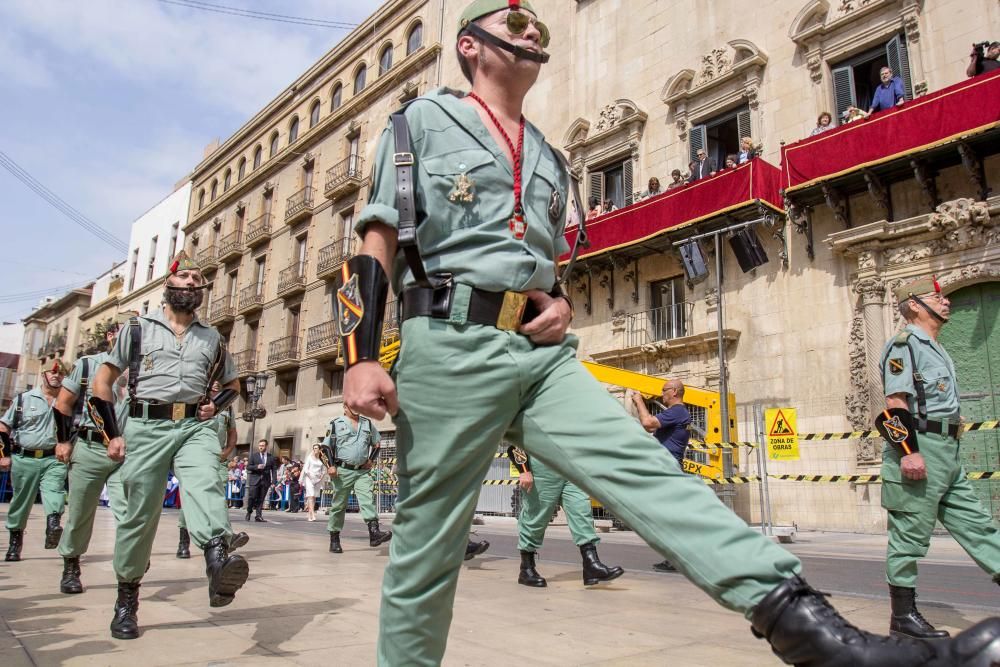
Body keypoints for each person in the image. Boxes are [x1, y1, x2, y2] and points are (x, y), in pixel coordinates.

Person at [338, 2, 1000, 665]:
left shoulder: (546, 156)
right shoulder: (421, 122)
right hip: (449, 341)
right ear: (470, 46)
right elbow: (377, 236)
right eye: (517, 25)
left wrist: (562, 303)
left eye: (540, 27)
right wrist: (363, 356)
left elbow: (539, 258)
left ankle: (819, 636)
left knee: (655, 473)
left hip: (541, 356)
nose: (535, 32)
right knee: (425, 552)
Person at [91, 250, 247, 640]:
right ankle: (127, 596)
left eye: (198, 279)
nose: (193, 283)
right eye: (186, 277)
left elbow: (233, 386)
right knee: (138, 518)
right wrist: (113, 434)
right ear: (169, 285)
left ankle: (216, 559)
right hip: (145, 427)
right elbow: (102, 383)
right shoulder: (138, 330)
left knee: (206, 480)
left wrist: (217, 406)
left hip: (193, 426)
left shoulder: (212, 338)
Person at [876, 276, 1000, 639]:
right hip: (921, 448)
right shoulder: (903, 346)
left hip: (948, 451)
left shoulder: (937, 347)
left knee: (978, 524)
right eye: (937, 296)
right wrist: (909, 453)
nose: (945, 302)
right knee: (909, 533)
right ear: (914, 304)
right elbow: (895, 404)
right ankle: (903, 617)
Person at [52, 316, 131, 593]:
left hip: (128, 453)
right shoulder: (88, 365)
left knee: (130, 512)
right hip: (91, 446)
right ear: (111, 335)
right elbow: (63, 403)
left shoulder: (144, 368)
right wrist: (62, 441)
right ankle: (71, 563)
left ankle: (129, 564)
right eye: (126, 330)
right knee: (80, 512)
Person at [508, 445, 623, 588]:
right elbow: (515, 438)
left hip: (570, 466)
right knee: (536, 517)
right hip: (541, 467)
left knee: (581, 510)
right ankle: (526, 569)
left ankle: (591, 565)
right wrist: (524, 470)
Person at [1, 360, 70, 561]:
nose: (56, 376)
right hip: (25, 458)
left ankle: (53, 526)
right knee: (21, 501)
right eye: (52, 373)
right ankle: (15, 541)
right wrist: (3, 454)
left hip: (53, 457)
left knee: (55, 490)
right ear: (44, 375)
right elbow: (4, 427)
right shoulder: (24, 399)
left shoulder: (68, 401)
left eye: (61, 374)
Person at [177, 382, 248, 559]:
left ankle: (225, 539)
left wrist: (226, 453)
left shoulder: (227, 407)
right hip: (196, 455)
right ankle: (183, 542)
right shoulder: (196, 400)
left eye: (220, 380)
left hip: (218, 459)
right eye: (213, 380)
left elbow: (232, 433)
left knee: (218, 497)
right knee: (192, 496)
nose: (216, 383)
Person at [629, 380, 692, 572]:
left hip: (668, 468)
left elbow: (648, 423)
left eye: (664, 390)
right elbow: (650, 428)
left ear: (674, 392)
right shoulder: (675, 413)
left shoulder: (677, 411)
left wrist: (639, 401)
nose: (661, 394)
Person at [321, 406, 392, 554]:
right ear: (345, 407)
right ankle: (334, 539)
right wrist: (330, 466)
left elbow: (377, 444)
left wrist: (371, 460)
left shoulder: (367, 424)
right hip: (342, 471)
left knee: (368, 499)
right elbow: (325, 448)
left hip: (362, 471)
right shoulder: (336, 424)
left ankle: (374, 533)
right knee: (339, 506)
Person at [245, 439, 277, 521]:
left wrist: (274, 481)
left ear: (266, 446)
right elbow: (248, 467)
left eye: (262, 446)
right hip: (255, 480)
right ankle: (249, 511)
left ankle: (258, 516)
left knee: (261, 499)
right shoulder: (254, 456)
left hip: (265, 481)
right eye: (260, 446)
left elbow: (274, 470)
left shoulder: (271, 457)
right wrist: (257, 467)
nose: (261, 447)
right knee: (252, 497)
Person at [299, 443, 329, 521]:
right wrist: (310, 476)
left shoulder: (321, 459)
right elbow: (306, 469)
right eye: (314, 448)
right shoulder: (309, 458)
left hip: (318, 479)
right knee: (310, 495)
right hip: (309, 478)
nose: (315, 449)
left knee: (314, 496)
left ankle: (309, 515)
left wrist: (321, 477)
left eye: (316, 448)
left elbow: (324, 470)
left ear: (319, 450)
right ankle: (313, 514)